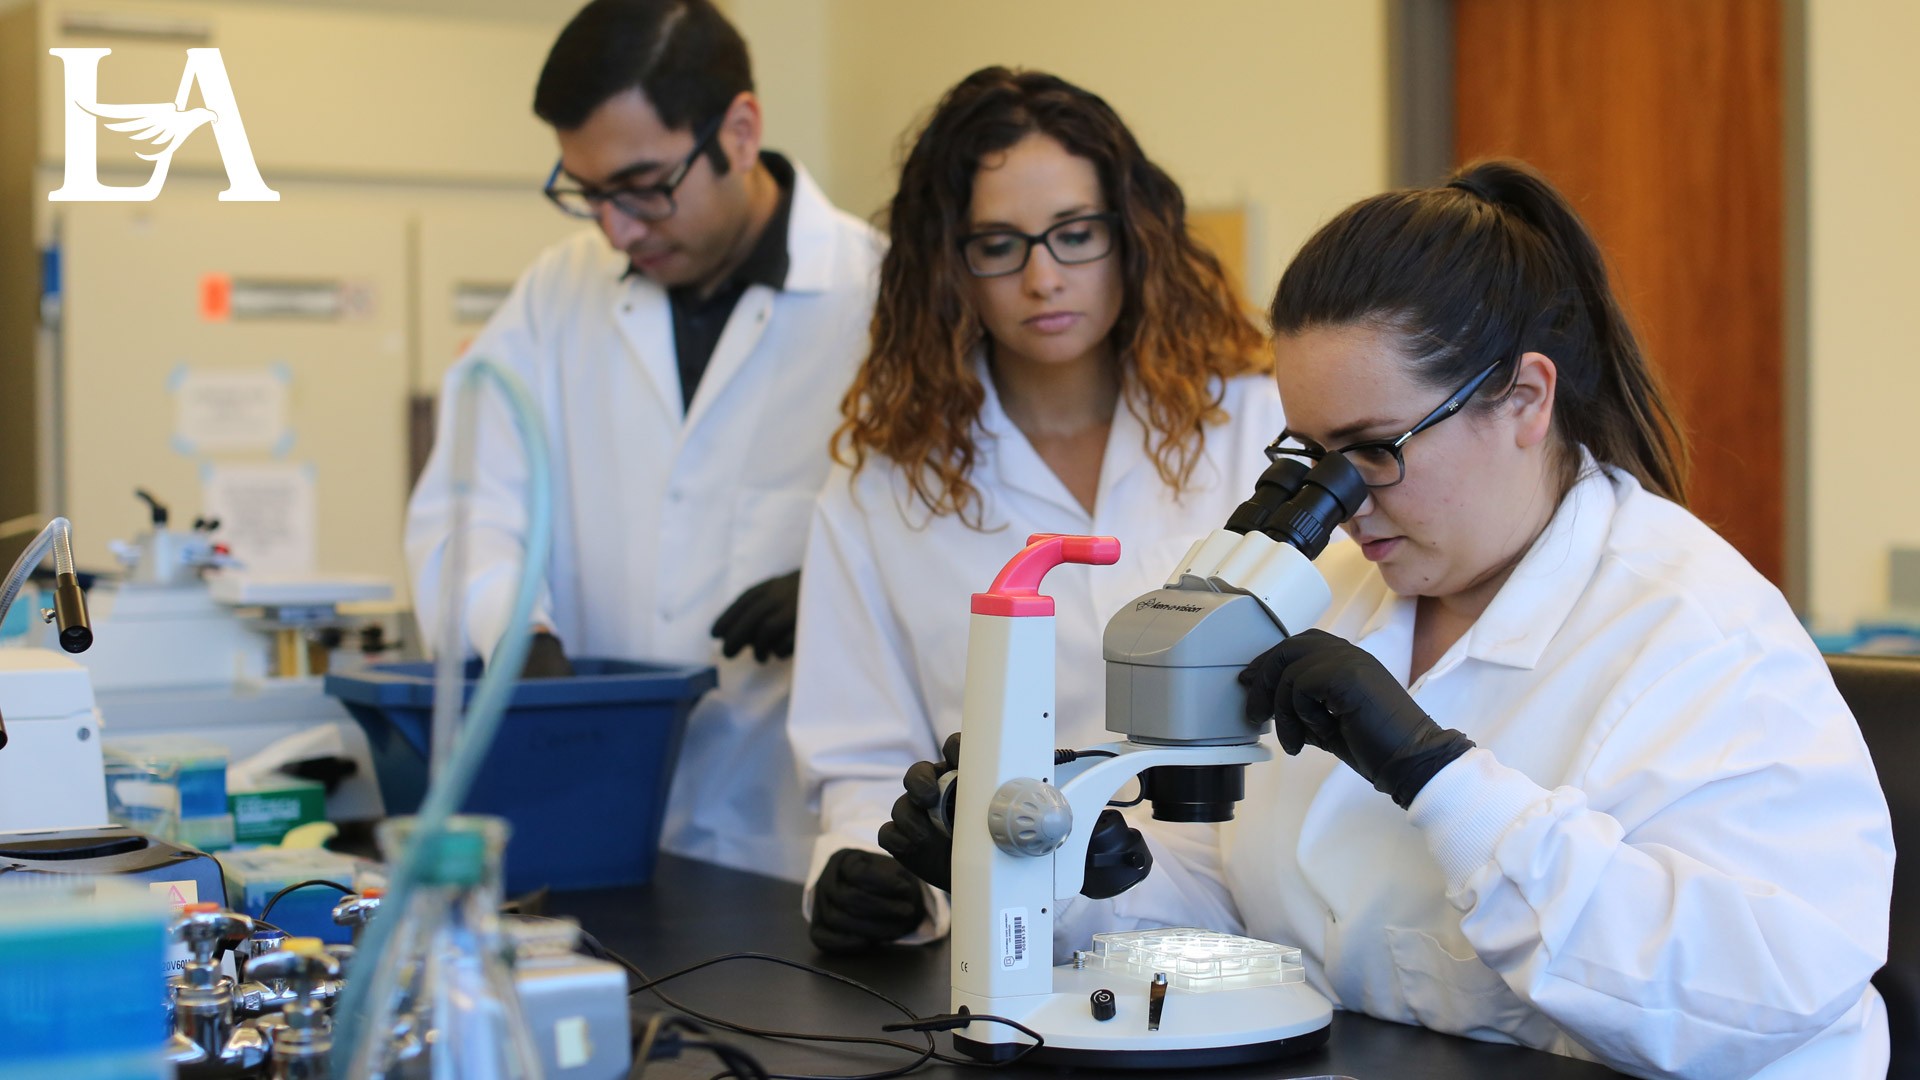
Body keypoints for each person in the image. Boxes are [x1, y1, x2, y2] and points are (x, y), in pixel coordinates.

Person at [887, 160, 1895, 1077]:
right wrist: (1044, 872)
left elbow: (1762, 999)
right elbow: (1266, 910)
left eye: (1374, 449)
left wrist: (1438, 777)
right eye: (1314, 455)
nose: (1343, 502)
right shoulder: (1351, 598)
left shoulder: (1698, 635)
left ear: (1525, 399)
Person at [787, 67, 1290, 953]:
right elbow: (862, 762)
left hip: (1272, 922)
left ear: (1131, 236)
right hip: (1025, 944)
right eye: (999, 245)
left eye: (1074, 234)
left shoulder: (1256, 422)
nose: (1043, 277)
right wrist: (881, 878)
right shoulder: (883, 490)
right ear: (950, 265)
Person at [405, 0, 881, 882]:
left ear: (740, 130)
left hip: (791, 844)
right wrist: (515, 635)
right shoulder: (558, 295)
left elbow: (955, 538)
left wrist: (848, 585)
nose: (615, 229)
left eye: (644, 186)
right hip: (591, 829)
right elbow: (468, 500)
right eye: (588, 193)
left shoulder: (877, 298)